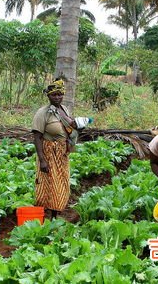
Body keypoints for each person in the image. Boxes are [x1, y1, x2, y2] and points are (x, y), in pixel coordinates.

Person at [31, 78, 92, 219]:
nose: (57, 97)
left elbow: (70, 128)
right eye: (54, 95)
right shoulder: (43, 113)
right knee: (51, 185)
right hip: (49, 152)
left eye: (60, 94)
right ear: (48, 96)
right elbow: (37, 137)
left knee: (62, 182)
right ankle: (49, 215)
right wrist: (42, 160)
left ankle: (56, 212)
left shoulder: (64, 109)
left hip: (62, 153)